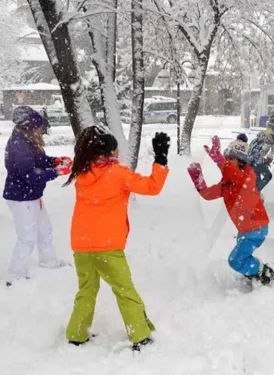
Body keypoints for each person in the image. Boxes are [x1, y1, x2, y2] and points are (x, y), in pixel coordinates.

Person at [64, 126, 170, 351]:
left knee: (86, 290)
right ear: (112, 152)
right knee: (124, 290)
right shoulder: (118, 173)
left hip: (82, 245)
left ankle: (76, 333)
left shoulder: (82, 174)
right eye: (117, 150)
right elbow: (152, 187)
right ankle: (140, 335)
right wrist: (160, 159)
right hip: (107, 247)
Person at [188, 136, 274, 286]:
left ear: (241, 161)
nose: (227, 162)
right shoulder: (227, 183)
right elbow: (207, 194)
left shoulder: (246, 176)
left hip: (256, 228)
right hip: (245, 229)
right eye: (227, 158)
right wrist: (199, 180)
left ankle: (263, 272)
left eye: (231, 159)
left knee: (235, 260)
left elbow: (229, 170)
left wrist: (217, 157)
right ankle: (253, 272)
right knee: (242, 256)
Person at [3, 106, 72, 286]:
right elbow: (30, 176)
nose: (41, 129)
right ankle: (14, 276)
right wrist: (56, 172)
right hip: (21, 197)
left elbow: (38, 161)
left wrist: (54, 161)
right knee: (27, 237)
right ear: (29, 126)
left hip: (31, 196)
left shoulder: (27, 140)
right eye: (38, 126)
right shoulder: (19, 145)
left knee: (44, 230)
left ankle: (49, 262)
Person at [247, 111, 274, 191]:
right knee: (266, 176)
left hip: (255, 155)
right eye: (273, 126)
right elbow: (266, 144)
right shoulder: (270, 132)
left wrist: (269, 157)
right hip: (255, 154)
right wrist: (263, 158)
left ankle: (255, 193)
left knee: (257, 177)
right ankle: (255, 192)